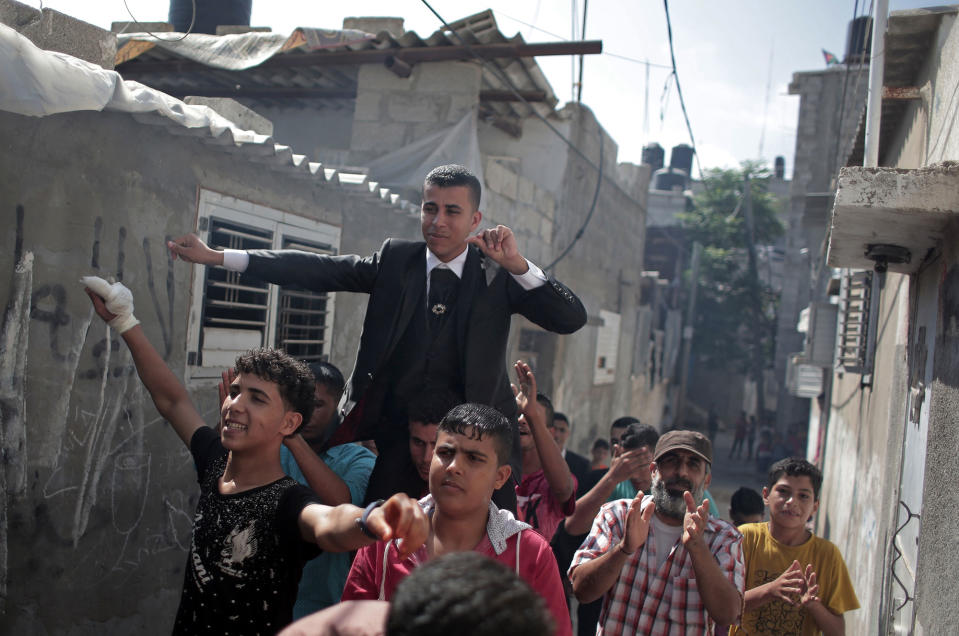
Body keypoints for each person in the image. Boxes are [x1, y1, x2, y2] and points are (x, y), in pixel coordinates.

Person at [167, 164, 587, 512]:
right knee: (378, 542)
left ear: (475, 220)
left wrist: (519, 264)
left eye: (452, 211)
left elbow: (570, 318)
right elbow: (319, 269)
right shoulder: (396, 260)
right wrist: (219, 257)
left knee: (483, 551)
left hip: (477, 446)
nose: (438, 221)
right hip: (399, 440)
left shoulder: (498, 272)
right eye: (430, 208)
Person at [80, 276, 428, 634]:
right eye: (234, 391)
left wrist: (374, 519)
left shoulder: (289, 501)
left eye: (257, 398)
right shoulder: (215, 464)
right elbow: (172, 400)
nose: (234, 405)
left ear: (290, 422)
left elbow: (330, 524)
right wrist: (125, 321)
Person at [341, 402, 572, 636]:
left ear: (500, 477)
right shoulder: (386, 537)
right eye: (445, 453)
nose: (453, 467)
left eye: (473, 458)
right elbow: (347, 628)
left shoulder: (530, 553)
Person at [569, 430, 744, 634]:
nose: (682, 473)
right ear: (653, 470)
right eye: (671, 461)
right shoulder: (618, 515)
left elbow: (728, 614)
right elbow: (581, 590)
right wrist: (624, 549)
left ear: (706, 481)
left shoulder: (724, 537)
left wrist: (698, 549)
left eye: (693, 464)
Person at [279, 361, 377, 617]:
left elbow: (341, 503)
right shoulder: (276, 448)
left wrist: (293, 439)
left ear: (339, 405)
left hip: (324, 607)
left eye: (318, 404)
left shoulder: (359, 459)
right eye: (301, 403)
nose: (307, 413)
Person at [732, 458, 859, 636]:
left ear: (815, 506)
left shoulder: (828, 555)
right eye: (783, 491)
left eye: (803, 496)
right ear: (766, 495)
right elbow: (722, 608)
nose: (792, 502)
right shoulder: (745, 538)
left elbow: (838, 632)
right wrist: (770, 590)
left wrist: (814, 605)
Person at [364, 389, 461, 504]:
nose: (426, 458)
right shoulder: (390, 471)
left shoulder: (473, 484)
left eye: (436, 445)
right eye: (418, 443)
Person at [514, 362, 576, 542]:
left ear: (549, 432)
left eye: (531, 417)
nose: (522, 420)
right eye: (518, 414)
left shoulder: (556, 478)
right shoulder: (499, 472)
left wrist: (531, 414)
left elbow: (564, 489)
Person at [550, 412, 591, 485]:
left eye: (562, 430)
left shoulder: (581, 465)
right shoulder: (534, 458)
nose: (557, 435)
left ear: (568, 433)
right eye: (554, 429)